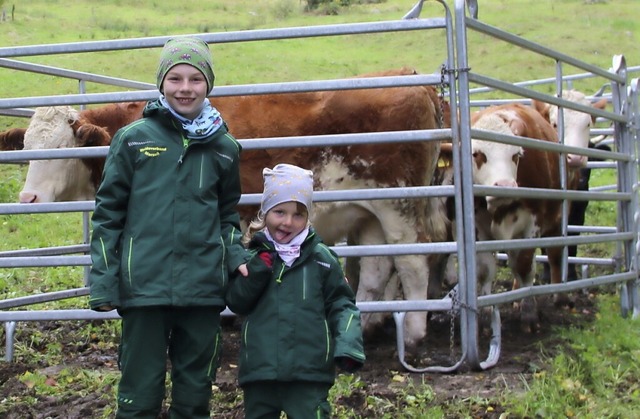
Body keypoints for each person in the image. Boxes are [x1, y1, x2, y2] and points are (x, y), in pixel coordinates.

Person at [88, 36, 249, 419]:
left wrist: (236, 256)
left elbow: (227, 214)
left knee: (195, 392)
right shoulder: (133, 140)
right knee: (139, 392)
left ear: (208, 83)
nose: (185, 88)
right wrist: (105, 280)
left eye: (195, 79)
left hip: (202, 289)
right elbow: (108, 214)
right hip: (144, 285)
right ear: (161, 83)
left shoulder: (225, 148)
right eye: (175, 78)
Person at [226, 163, 366, 419]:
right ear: (265, 211)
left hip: (308, 374)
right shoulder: (252, 256)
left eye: (298, 215)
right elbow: (237, 301)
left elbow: (342, 303)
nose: (288, 222)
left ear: (308, 218)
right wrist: (255, 272)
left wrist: (348, 344)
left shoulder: (322, 259)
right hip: (261, 372)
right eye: (279, 212)